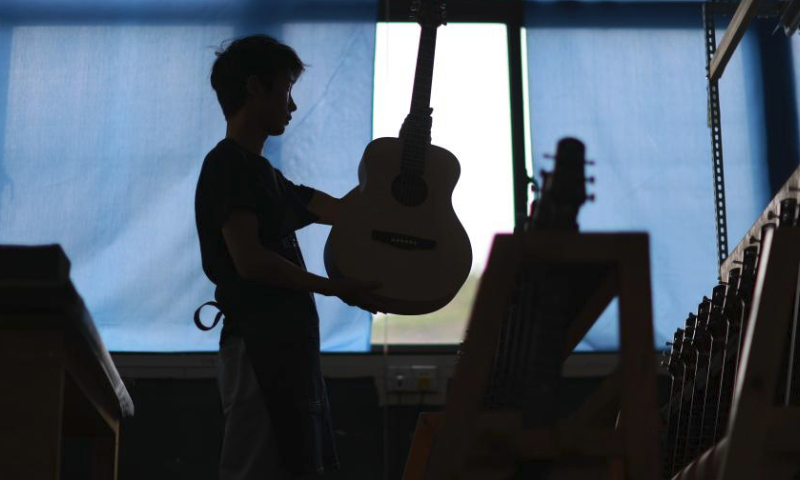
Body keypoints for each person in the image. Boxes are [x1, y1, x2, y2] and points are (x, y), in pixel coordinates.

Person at [194, 34, 379, 480]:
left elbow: (340, 211)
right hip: (258, 348)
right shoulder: (227, 167)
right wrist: (334, 288)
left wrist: (391, 170)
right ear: (256, 88)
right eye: (287, 90)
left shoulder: (266, 177)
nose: (293, 107)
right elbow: (250, 260)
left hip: (286, 352)